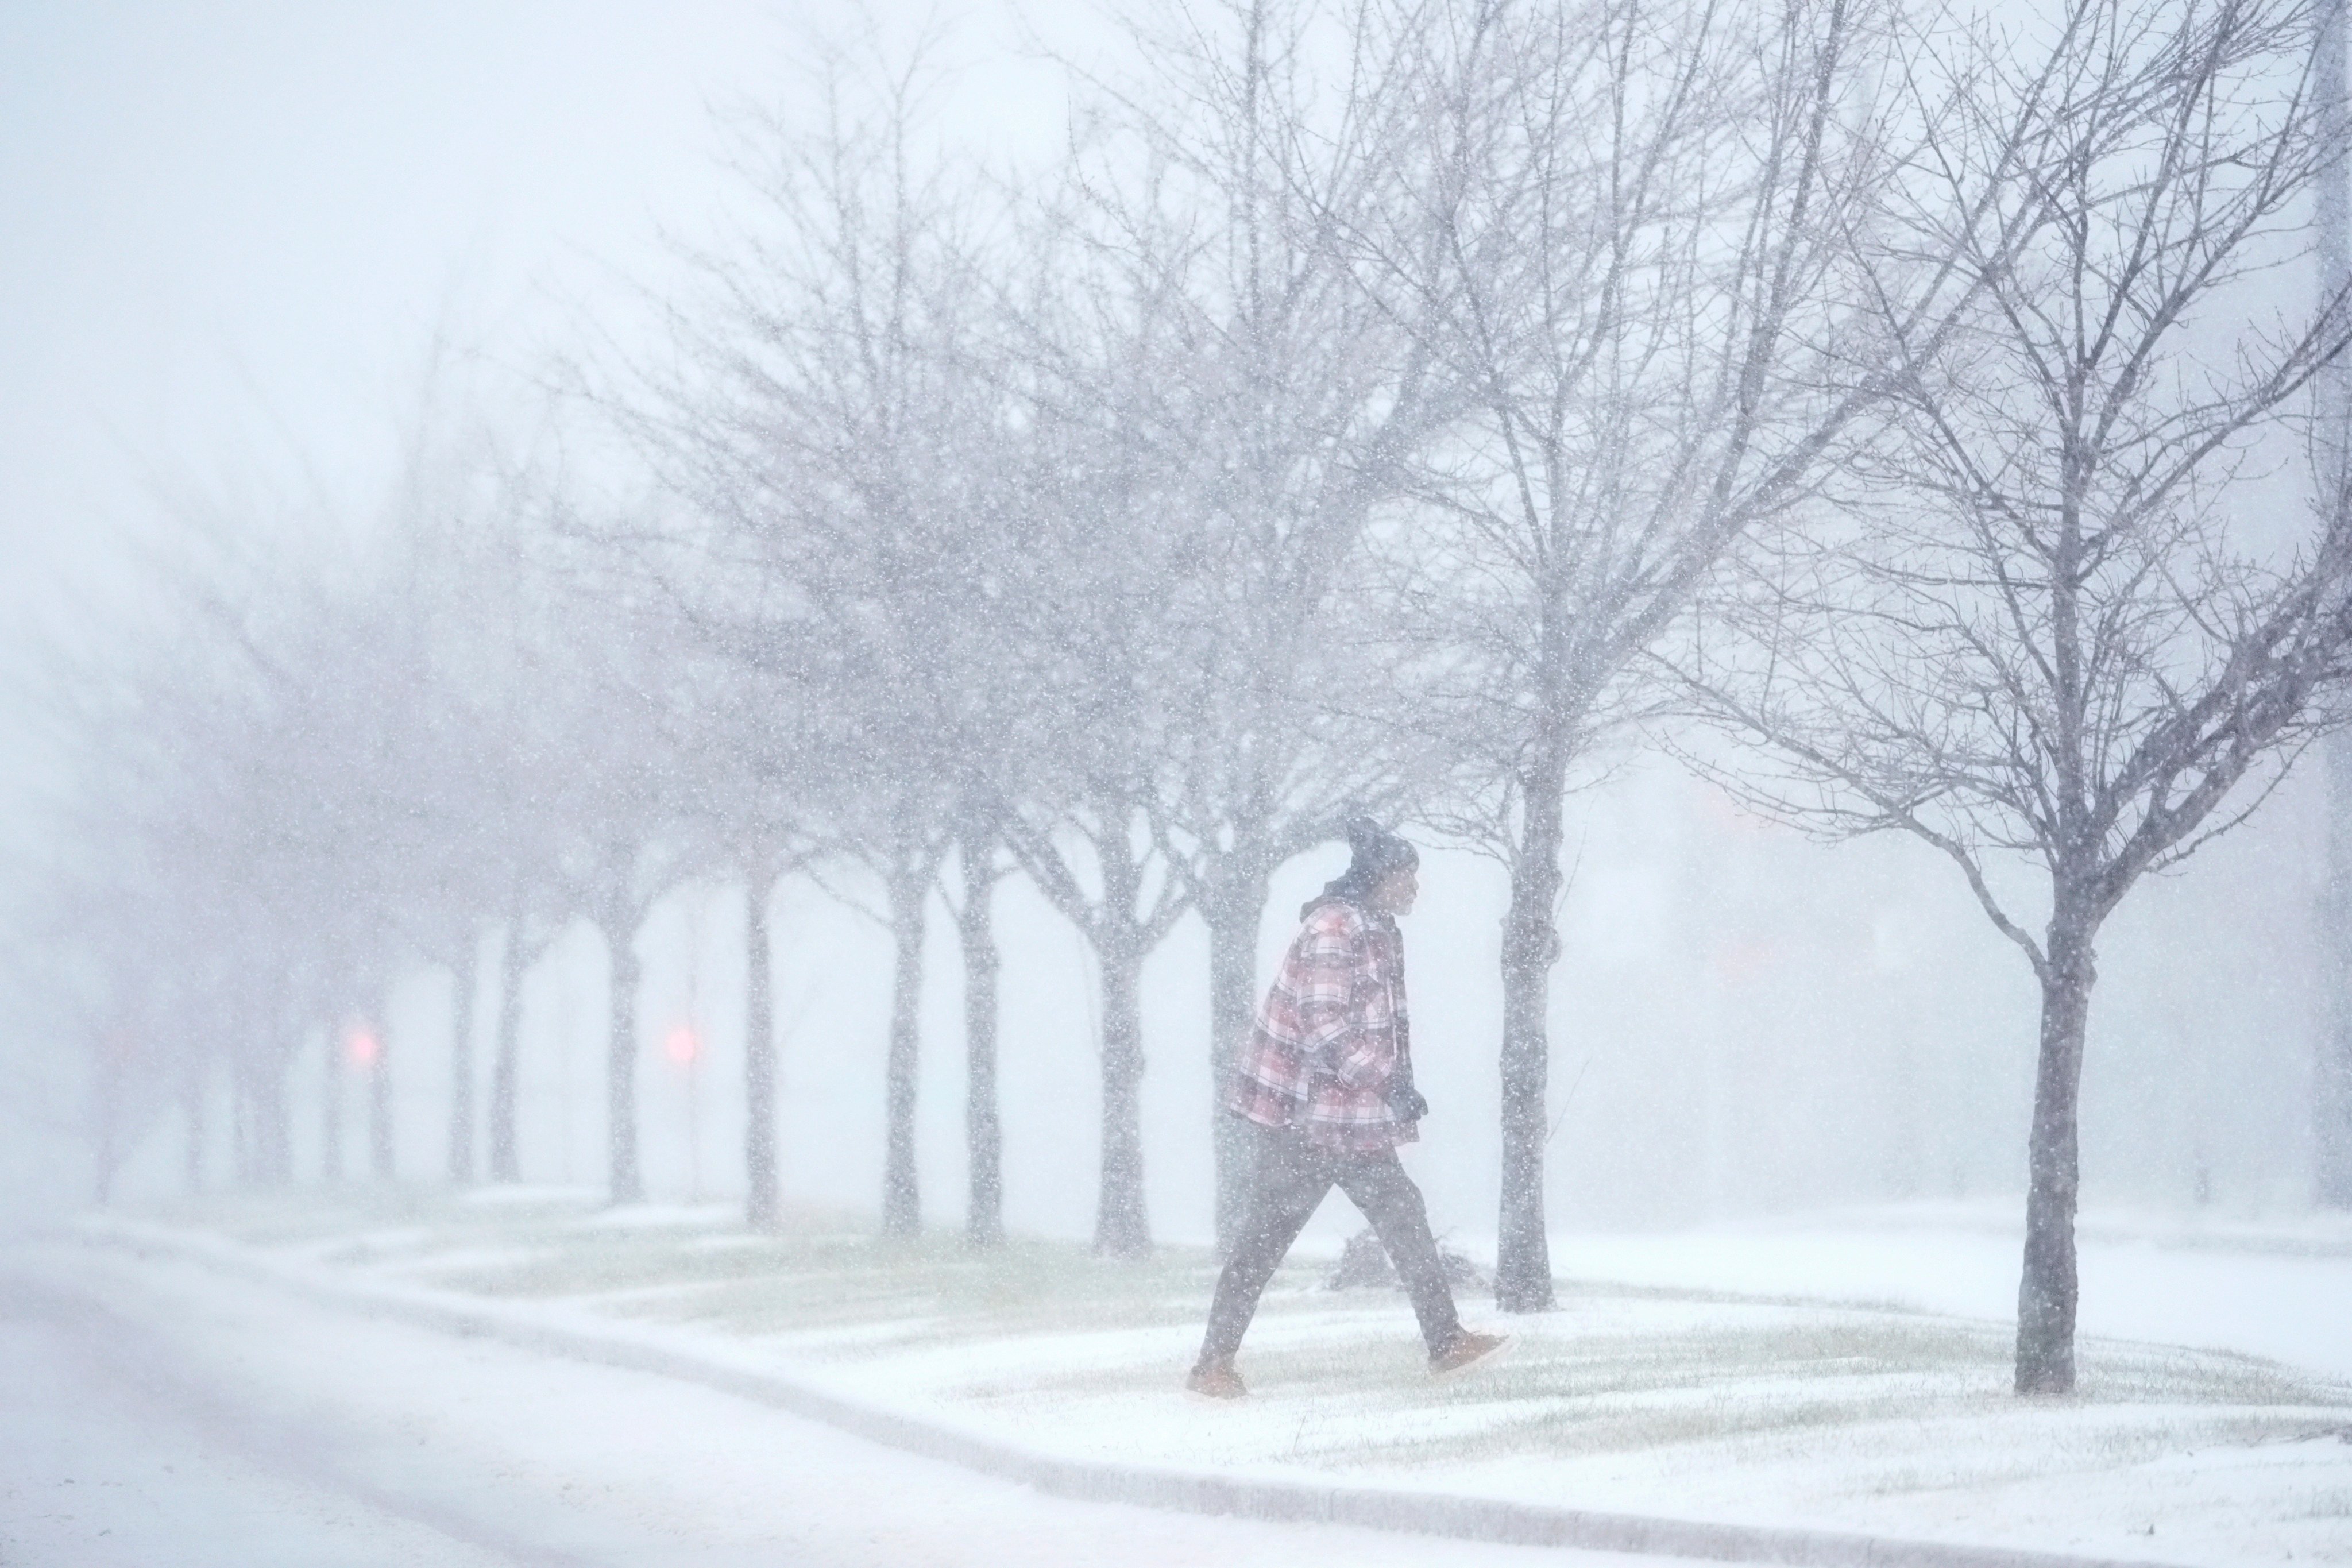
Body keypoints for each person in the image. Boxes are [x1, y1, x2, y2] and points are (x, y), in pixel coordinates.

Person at [1187, 820, 1507, 1399]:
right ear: (1380, 877)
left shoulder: (1376, 927)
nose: (1415, 890)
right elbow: (1324, 1026)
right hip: (1303, 1119)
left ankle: (1446, 1342)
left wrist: (1389, 1087)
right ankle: (1212, 1365)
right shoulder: (1335, 928)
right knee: (1264, 1239)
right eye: (1408, 878)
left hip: (1350, 1117)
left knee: (1404, 1218)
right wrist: (1390, 1083)